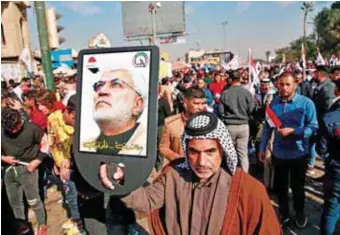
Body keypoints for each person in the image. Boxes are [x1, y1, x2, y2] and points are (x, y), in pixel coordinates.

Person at [100, 112, 282, 235]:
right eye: (194, 152)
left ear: (223, 150)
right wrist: (122, 181)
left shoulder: (248, 189)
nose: (201, 162)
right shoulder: (174, 174)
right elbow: (146, 201)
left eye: (210, 152)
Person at [259, 72, 318, 229]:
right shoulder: (273, 105)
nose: (284, 88)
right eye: (281, 84)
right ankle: (284, 213)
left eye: (287, 84)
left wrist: (295, 132)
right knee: (281, 187)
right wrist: (262, 147)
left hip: (299, 153)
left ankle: (299, 213)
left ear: (295, 85)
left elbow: (313, 127)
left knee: (298, 187)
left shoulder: (306, 104)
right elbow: (267, 128)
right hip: (279, 154)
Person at [1, 109, 49, 235]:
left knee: (33, 200)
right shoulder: (2, 130)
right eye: (9, 129)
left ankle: (42, 224)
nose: (12, 131)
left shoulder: (32, 128)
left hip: (28, 168)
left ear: (20, 122)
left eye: (15, 128)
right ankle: (21, 225)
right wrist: (3, 158)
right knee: (15, 202)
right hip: (9, 169)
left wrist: (37, 161)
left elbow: (46, 143)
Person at [88, 69, 146, 156]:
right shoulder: (83, 146)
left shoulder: (148, 146)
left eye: (116, 84)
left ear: (137, 104)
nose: (101, 91)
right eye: (99, 85)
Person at [219, 70, 255, 172]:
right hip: (244, 126)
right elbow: (251, 109)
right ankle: (245, 176)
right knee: (243, 153)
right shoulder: (247, 93)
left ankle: (231, 173)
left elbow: (221, 111)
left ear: (230, 79)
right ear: (240, 79)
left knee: (230, 153)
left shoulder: (225, 93)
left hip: (229, 126)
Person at [159, 87, 205, 162]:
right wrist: (177, 159)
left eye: (202, 103)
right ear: (185, 102)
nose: (200, 107)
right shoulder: (171, 123)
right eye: (196, 103)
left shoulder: (207, 123)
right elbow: (163, 147)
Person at [319, 79, 340, 235]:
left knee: (331, 209)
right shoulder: (330, 116)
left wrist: (329, 162)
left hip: (336, 170)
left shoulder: (330, 117)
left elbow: (322, 147)